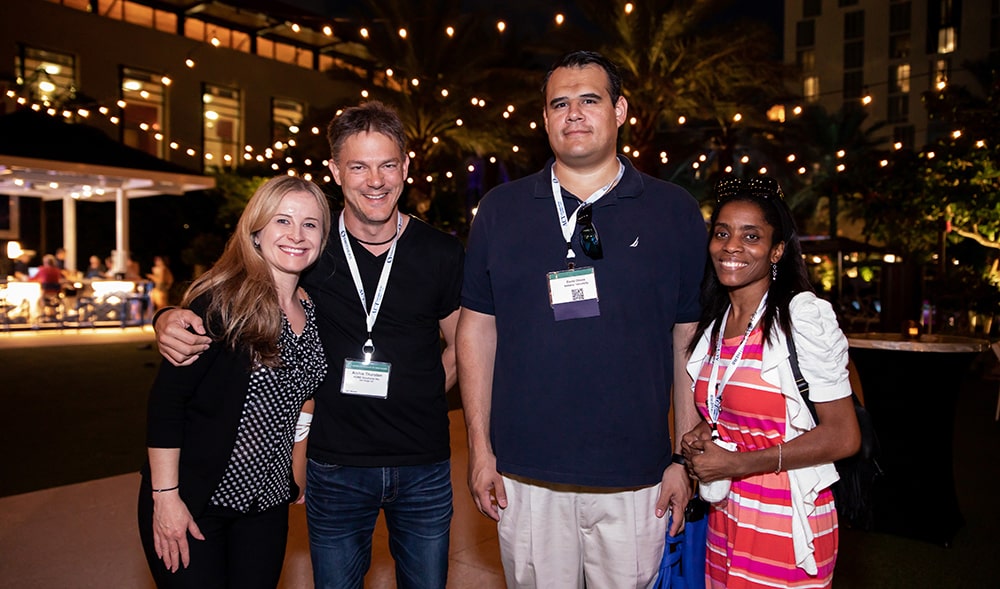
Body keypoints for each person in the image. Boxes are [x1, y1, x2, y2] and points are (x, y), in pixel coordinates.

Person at [153, 101, 465, 588]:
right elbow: (230, 288)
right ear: (336, 171)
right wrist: (166, 317)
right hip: (335, 467)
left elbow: (462, 344)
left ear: (406, 167)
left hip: (422, 464)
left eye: (387, 164)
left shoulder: (442, 254)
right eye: (358, 166)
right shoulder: (310, 251)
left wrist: (423, 390)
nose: (375, 180)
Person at [456, 50, 707, 587]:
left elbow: (687, 340)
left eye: (589, 100)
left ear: (620, 110)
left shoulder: (674, 211)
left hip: (637, 479)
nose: (574, 114)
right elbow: (476, 328)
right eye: (560, 104)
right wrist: (480, 451)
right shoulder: (500, 211)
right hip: (524, 479)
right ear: (544, 118)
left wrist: (683, 460)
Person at [137, 175, 331, 588]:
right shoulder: (222, 303)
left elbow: (304, 395)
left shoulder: (314, 308)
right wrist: (165, 498)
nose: (297, 235)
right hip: (195, 500)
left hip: (267, 506)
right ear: (256, 231)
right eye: (283, 221)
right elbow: (167, 405)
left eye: (310, 224)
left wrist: (296, 470)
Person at [680, 176, 861, 588]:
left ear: (777, 250)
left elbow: (844, 435)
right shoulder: (716, 322)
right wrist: (703, 433)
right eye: (722, 233)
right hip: (725, 514)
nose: (732, 246)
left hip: (786, 517)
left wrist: (740, 463)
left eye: (752, 236)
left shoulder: (803, 317)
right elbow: (739, 406)